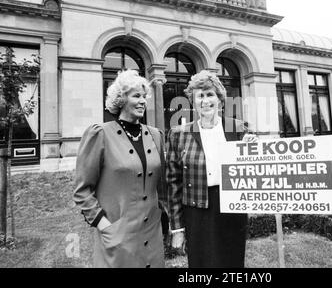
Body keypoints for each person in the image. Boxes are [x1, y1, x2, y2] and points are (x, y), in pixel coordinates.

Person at [73, 70, 167, 268]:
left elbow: (162, 186)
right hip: (116, 237)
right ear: (121, 99)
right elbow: (82, 191)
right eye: (136, 96)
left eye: (144, 96)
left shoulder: (156, 135)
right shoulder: (100, 134)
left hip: (152, 236)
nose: (143, 101)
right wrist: (104, 226)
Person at [166, 70, 257, 268]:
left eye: (210, 94)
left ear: (220, 99)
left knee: (232, 261)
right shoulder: (179, 134)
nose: (205, 100)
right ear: (193, 101)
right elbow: (173, 184)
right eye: (200, 95)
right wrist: (177, 229)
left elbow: (252, 171)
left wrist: (252, 149)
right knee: (202, 263)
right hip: (197, 210)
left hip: (232, 208)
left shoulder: (238, 128)